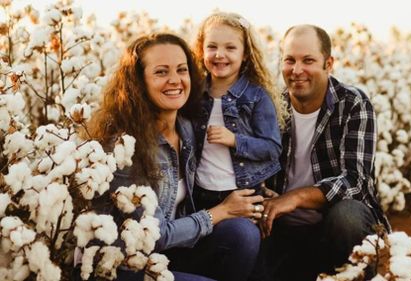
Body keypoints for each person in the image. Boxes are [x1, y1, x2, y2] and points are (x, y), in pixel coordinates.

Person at [85, 33, 265, 281]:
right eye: (161, 72)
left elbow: (220, 168)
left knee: (242, 234)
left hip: (171, 254)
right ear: (139, 82)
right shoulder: (124, 146)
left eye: (182, 70)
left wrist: (260, 188)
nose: (175, 80)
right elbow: (153, 236)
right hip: (125, 265)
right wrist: (221, 211)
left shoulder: (187, 128)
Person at [260, 25, 391, 281]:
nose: (297, 70)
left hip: (330, 229)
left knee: (348, 217)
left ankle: (354, 274)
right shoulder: (270, 105)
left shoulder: (353, 103)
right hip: (280, 229)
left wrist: (295, 198)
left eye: (308, 60)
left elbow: (356, 181)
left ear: (328, 63)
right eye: (290, 60)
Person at [191, 12, 282, 212]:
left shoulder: (256, 96)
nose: (219, 54)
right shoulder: (193, 94)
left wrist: (234, 140)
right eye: (212, 47)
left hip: (241, 192)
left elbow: (272, 148)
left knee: (240, 238)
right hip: (198, 193)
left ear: (245, 54)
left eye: (230, 48)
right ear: (201, 50)